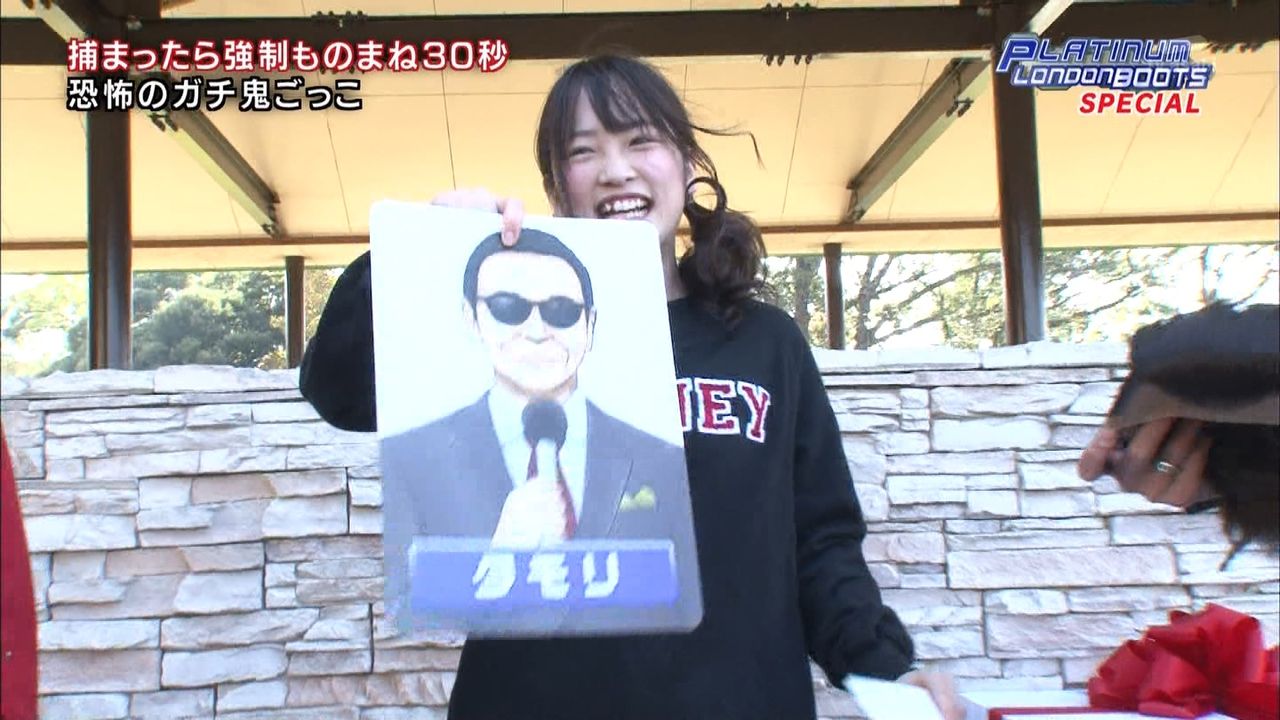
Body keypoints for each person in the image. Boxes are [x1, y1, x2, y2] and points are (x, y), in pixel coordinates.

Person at [301, 54, 963, 720]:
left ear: (687, 163)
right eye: (583, 151)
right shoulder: (515, 331)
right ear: (557, 187)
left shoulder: (766, 344)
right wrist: (418, 250)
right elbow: (337, 388)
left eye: (641, 140)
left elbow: (821, 543)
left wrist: (886, 668)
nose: (616, 169)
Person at [377, 227, 700, 630]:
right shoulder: (410, 459)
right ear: (471, 317)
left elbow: (687, 602)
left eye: (561, 311)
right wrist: (497, 562)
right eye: (508, 307)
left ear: (590, 324)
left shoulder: (660, 460)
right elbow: (402, 613)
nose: (536, 330)